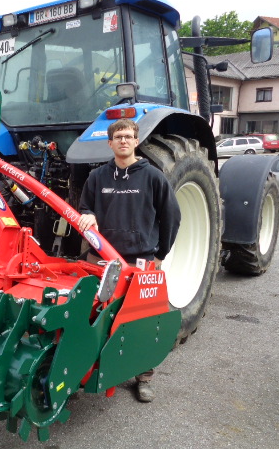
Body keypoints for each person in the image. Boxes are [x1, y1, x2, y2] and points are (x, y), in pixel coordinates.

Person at [78, 118, 181, 403]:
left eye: (128, 136)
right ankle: (86, 370)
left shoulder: (153, 177)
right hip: (101, 259)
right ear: (110, 143)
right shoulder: (97, 177)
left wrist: (160, 254)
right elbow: (84, 208)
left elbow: (171, 217)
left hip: (140, 261)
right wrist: (88, 215)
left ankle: (143, 377)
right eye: (118, 137)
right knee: (93, 315)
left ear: (136, 141)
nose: (123, 140)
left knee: (142, 320)